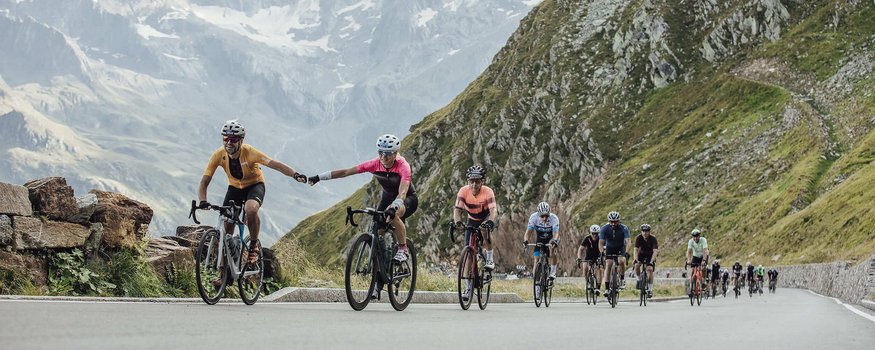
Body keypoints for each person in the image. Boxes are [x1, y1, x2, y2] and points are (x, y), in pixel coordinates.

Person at [308, 134, 418, 300]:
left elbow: (402, 192)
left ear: (396, 153)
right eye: (380, 152)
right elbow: (346, 172)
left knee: (393, 214)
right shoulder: (374, 164)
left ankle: (403, 249)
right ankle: (379, 279)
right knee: (377, 235)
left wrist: (394, 207)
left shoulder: (403, 166)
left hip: (407, 200)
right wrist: (318, 177)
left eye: (388, 154)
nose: (383, 157)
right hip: (387, 198)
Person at [198, 121, 307, 265]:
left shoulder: (250, 152)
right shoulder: (218, 155)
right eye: (226, 138)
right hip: (235, 189)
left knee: (250, 209)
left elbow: (276, 165)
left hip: (255, 186)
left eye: (234, 139)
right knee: (227, 231)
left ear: (241, 140)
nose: (229, 142)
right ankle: (224, 273)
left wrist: (295, 174)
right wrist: (202, 201)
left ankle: (253, 245)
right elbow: (204, 182)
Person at [453, 165, 498, 301]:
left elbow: (493, 211)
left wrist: (490, 222)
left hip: (485, 218)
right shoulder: (463, 191)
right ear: (468, 181)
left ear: (482, 182)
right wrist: (458, 222)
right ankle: (468, 288)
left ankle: (489, 258)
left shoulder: (488, 192)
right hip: (472, 219)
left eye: (477, 181)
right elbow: (457, 210)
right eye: (471, 181)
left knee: (485, 230)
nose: (474, 184)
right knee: (468, 254)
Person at [522, 202, 561, 283]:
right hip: (540, 239)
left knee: (552, 250)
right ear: (538, 214)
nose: (544, 218)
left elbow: (556, 233)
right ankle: (536, 282)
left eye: (546, 215)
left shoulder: (554, 218)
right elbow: (528, 232)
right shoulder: (533, 217)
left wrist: (554, 240)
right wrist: (526, 240)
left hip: (551, 238)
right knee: (536, 259)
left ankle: (553, 272)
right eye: (542, 216)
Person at [599, 211, 630, 295]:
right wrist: (602, 252)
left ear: (619, 221)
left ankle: (622, 279)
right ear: (608, 221)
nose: (613, 224)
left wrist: (626, 252)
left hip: (620, 247)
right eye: (611, 222)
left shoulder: (624, 228)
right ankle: (606, 288)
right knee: (608, 264)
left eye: (615, 221)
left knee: (621, 261)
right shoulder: (604, 228)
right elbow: (601, 243)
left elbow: (628, 241)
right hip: (609, 247)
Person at [576, 224, 603, 296]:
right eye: (593, 234)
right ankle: (587, 282)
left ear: (598, 233)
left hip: (598, 256)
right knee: (585, 268)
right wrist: (579, 258)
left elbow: (605, 249)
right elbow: (581, 249)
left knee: (599, 269)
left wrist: (603, 257)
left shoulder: (601, 238)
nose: (594, 236)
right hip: (589, 256)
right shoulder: (587, 238)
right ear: (590, 233)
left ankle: (598, 287)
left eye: (596, 234)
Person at [633, 223, 658, 298]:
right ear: (641, 231)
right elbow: (635, 249)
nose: (645, 233)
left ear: (649, 232)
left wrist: (651, 261)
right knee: (636, 265)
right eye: (643, 231)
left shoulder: (653, 238)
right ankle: (638, 279)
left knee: (649, 269)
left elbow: (655, 251)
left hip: (650, 255)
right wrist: (635, 259)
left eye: (646, 231)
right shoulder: (638, 238)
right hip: (641, 254)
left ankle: (650, 289)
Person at [685, 229, 709, 293]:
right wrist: (689, 260)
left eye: (697, 236)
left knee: (703, 267)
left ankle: (703, 281)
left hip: (703, 255)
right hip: (695, 256)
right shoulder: (690, 241)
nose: (695, 238)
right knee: (693, 269)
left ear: (699, 236)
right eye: (694, 236)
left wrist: (704, 260)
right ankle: (692, 285)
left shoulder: (703, 240)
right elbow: (689, 251)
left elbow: (705, 250)